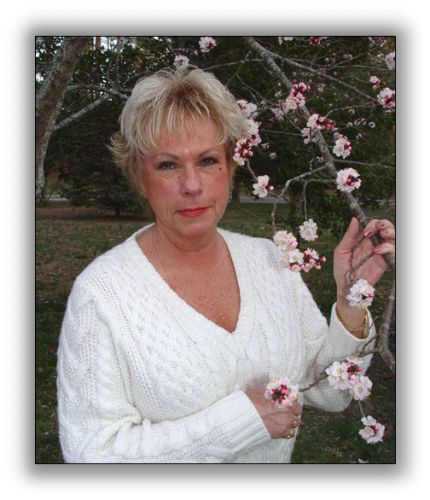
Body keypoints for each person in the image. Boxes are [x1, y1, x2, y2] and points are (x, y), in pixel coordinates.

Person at [56, 66, 395, 463]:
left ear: (230, 168)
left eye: (207, 160)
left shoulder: (271, 261)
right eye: (167, 165)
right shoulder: (101, 295)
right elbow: (90, 454)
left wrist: (351, 302)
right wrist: (241, 423)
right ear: (140, 178)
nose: (192, 185)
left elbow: (330, 392)